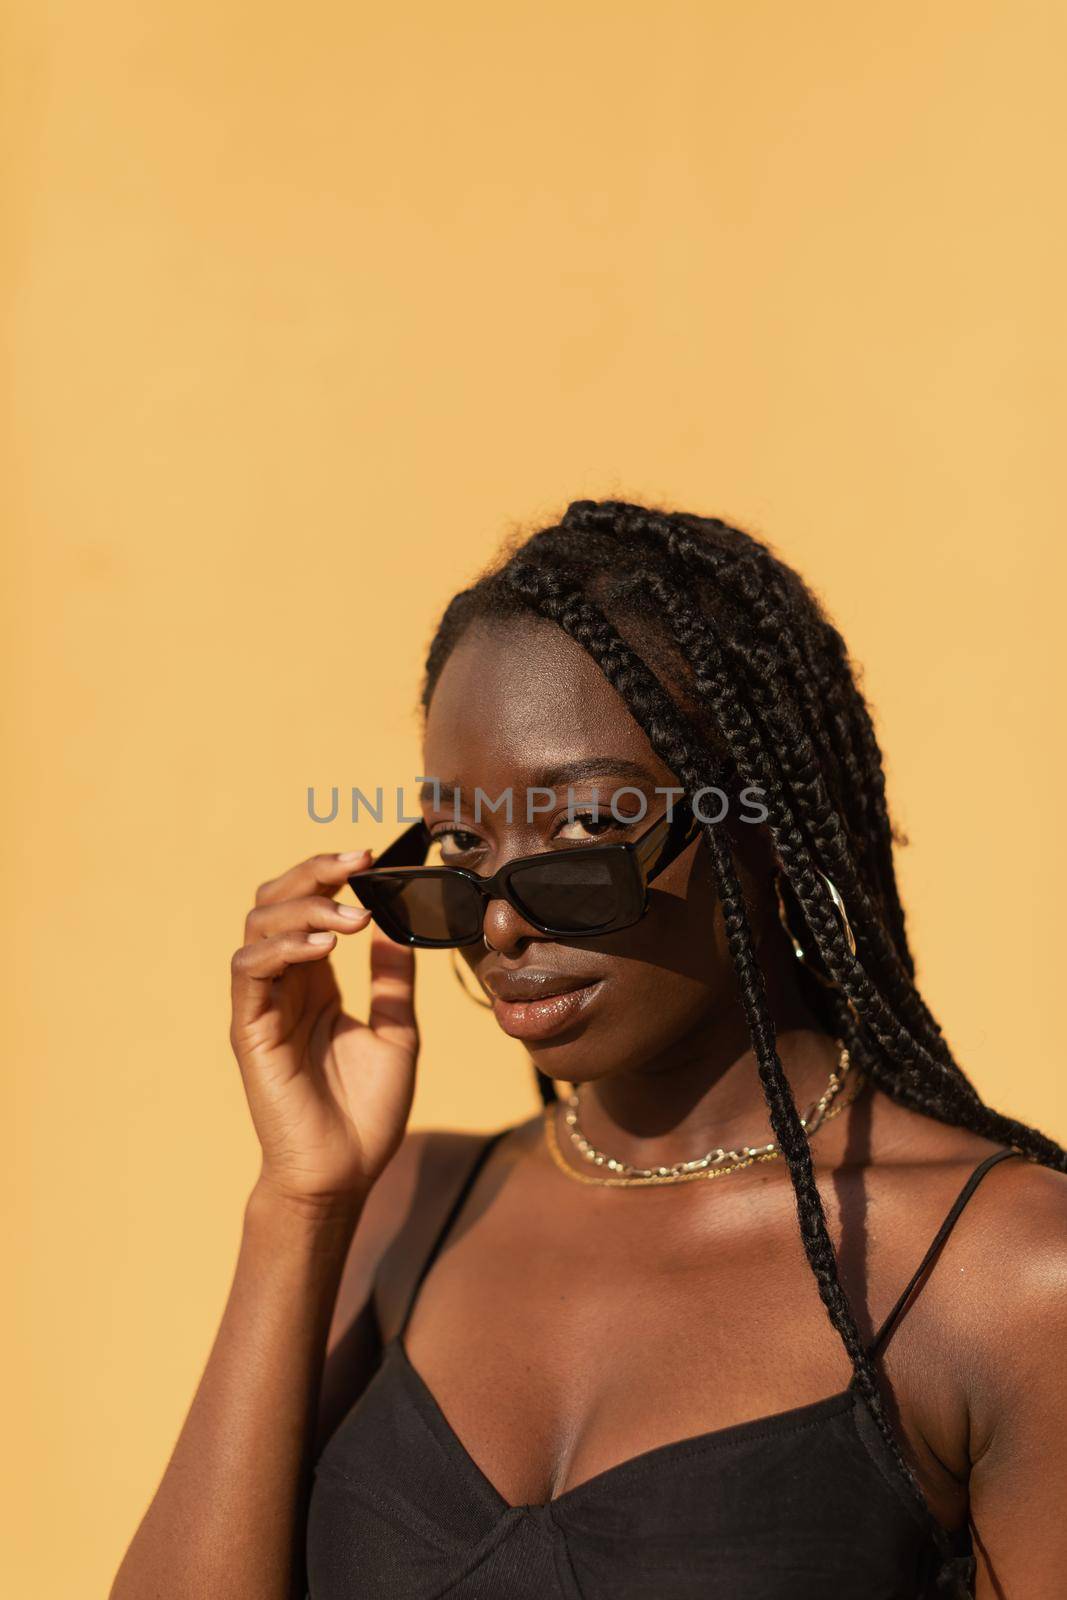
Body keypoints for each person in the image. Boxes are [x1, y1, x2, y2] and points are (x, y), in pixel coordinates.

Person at [110, 499, 1067, 1600]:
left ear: (757, 828)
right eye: (461, 843)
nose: (501, 922)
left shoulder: (1004, 1276)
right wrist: (298, 1205)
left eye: (581, 830)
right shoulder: (405, 1209)